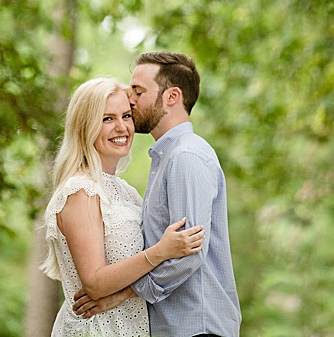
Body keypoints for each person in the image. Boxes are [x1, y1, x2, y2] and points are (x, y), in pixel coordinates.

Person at [74, 52, 241, 337]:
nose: (130, 100)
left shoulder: (186, 156)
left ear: (172, 96)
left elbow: (188, 254)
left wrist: (124, 293)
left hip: (196, 327)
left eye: (138, 92)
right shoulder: (167, 157)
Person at [42, 77, 205, 337]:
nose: (122, 127)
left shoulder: (125, 191)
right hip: (96, 328)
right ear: (84, 126)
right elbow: (95, 283)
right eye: (107, 119)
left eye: (126, 116)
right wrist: (160, 251)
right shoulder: (80, 190)